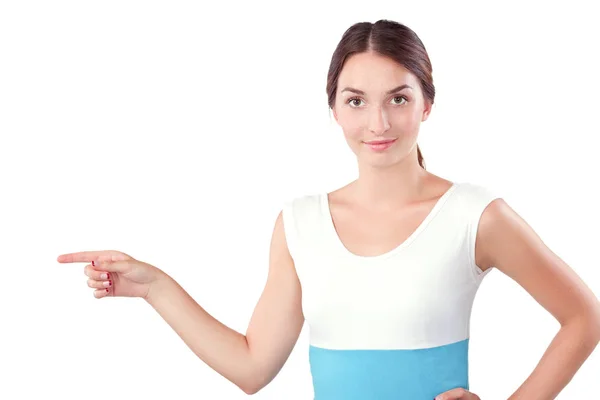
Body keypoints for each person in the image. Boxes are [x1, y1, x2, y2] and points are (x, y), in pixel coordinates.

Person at [57, 19, 600, 400]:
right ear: (334, 109)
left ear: (427, 103)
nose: (378, 124)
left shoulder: (474, 215)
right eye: (356, 100)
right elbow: (252, 368)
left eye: (399, 98)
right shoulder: (300, 223)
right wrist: (154, 286)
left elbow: (585, 317)